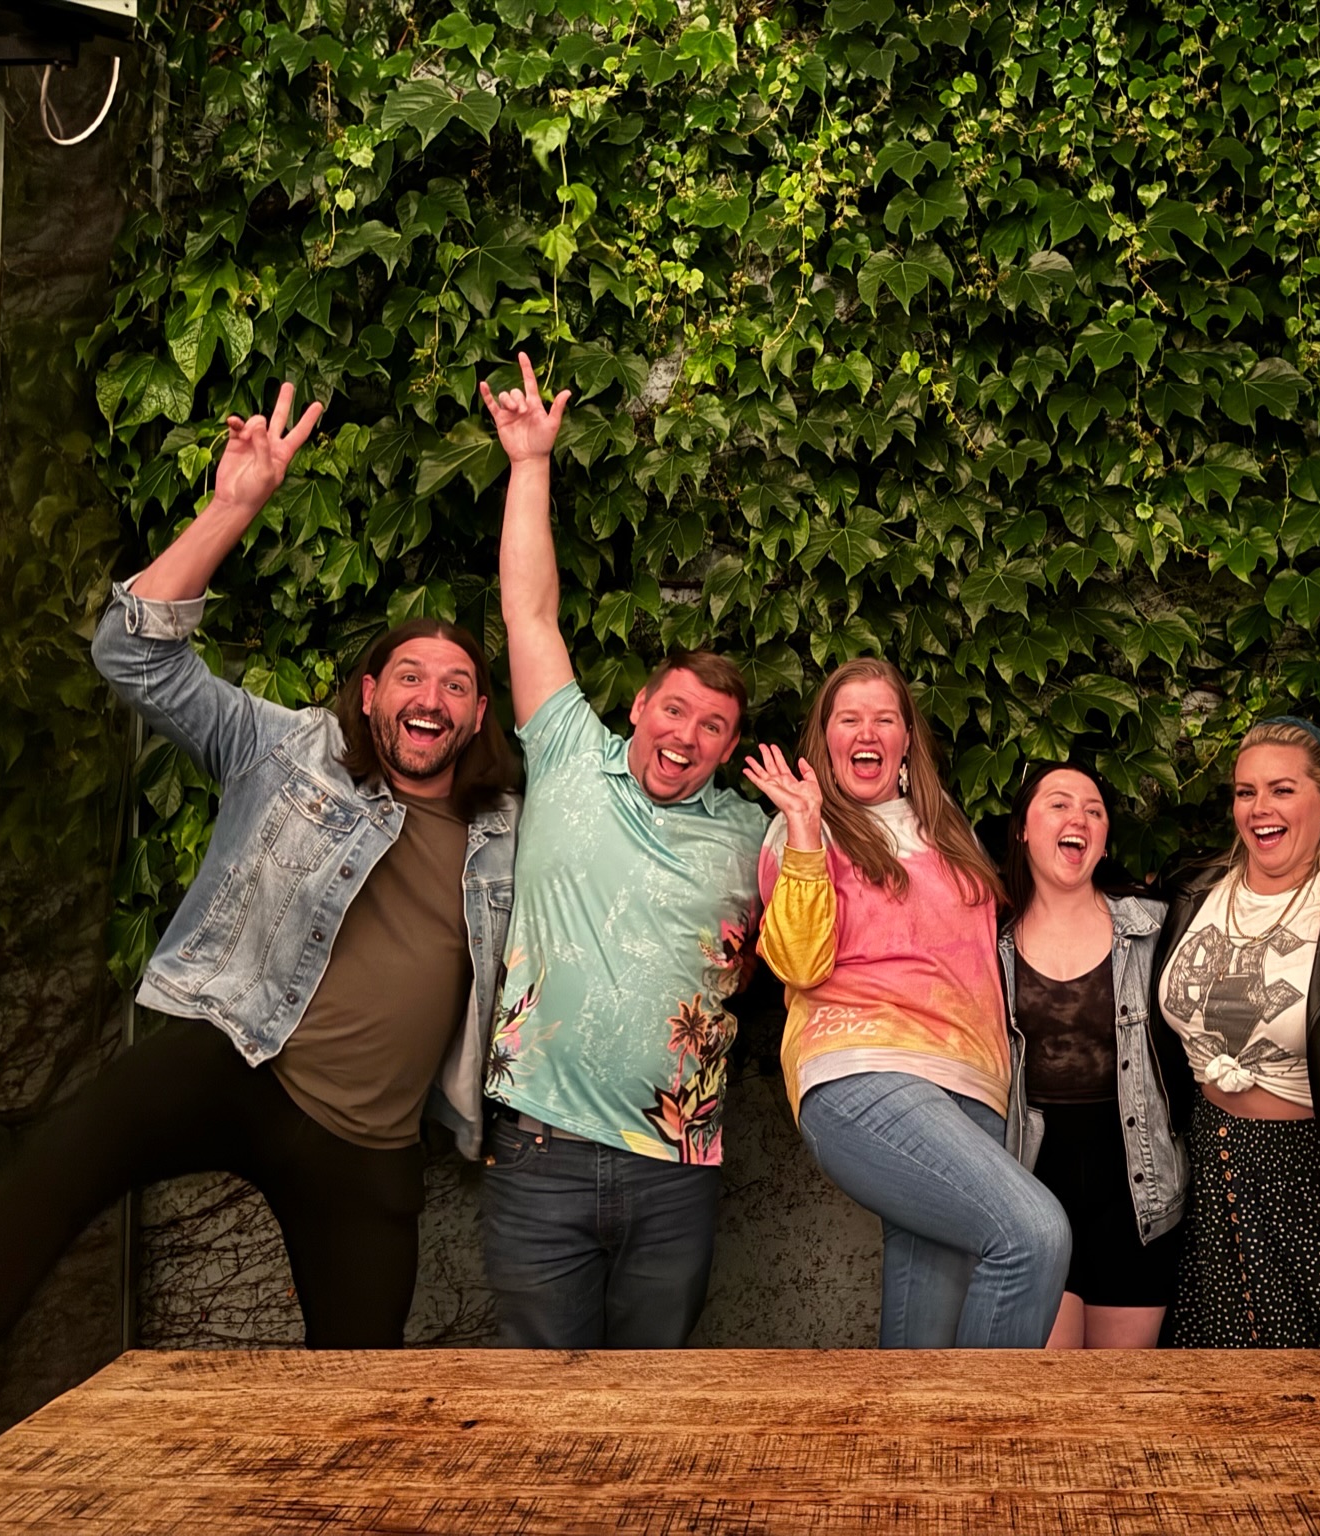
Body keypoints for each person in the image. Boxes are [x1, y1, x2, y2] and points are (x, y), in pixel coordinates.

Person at [0, 385, 523, 1493]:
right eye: (410, 674)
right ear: (369, 694)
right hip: (233, 1058)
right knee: (50, 1171)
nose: (432, 694)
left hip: (369, 1145)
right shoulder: (290, 750)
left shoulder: (502, 828)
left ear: (478, 716)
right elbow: (134, 659)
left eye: (457, 683)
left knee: (365, 1421)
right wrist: (235, 505)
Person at [477, 354, 766, 1349]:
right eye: (674, 707)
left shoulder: (753, 833)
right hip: (540, 1151)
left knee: (655, 1418)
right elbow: (531, 613)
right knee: (534, 1419)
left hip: (675, 1170)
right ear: (639, 705)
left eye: (713, 726)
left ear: (730, 749)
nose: (685, 734)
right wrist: (530, 464)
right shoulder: (568, 755)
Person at [746, 659, 1071, 1347]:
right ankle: (990, 1444)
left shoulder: (943, 825)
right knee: (1032, 1235)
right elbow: (800, 964)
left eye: (884, 718)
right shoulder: (805, 828)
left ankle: (916, 1450)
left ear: (905, 739)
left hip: (971, 1088)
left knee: (927, 1340)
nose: (867, 731)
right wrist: (805, 829)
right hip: (866, 1071)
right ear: (824, 738)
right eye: (849, 719)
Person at [1153, 716, 1320, 1347]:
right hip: (1213, 1168)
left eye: (1281, 790)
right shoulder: (1193, 890)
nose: (1259, 809)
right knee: (1219, 1382)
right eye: (1245, 792)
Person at [999, 763, 1187, 1349]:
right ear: (1023, 829)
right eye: (1058, 804)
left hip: (1137, 1190)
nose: (1078, 816)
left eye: (1094, 810)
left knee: (1122, 1400)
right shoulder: (985, 941)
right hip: (1031, 1185)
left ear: (1104, 842)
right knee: (1053, 1396)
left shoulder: (1156, 930)